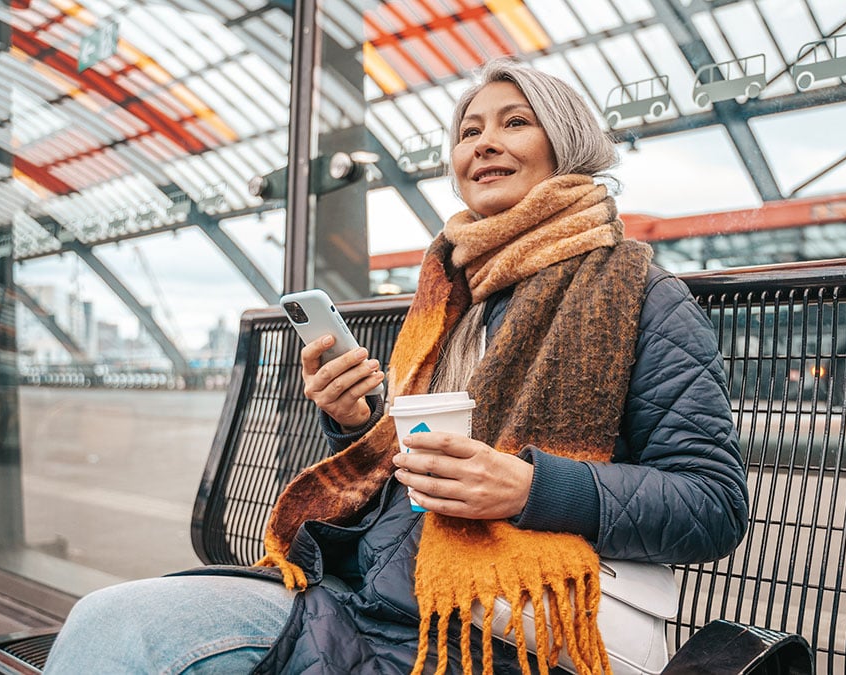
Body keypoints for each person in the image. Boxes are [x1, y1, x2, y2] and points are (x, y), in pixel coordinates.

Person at [44, 57, 748, 675]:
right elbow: (408, 474)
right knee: (109, 620)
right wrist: (355, 426)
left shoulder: (640, 295)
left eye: (514, 123)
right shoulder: (449, 289)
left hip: (498, 631)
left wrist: (531, 488)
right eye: (469, 131)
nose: (485, 144)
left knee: (122, 633)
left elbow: (713, 502)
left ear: (565, 146)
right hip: (375, 597)